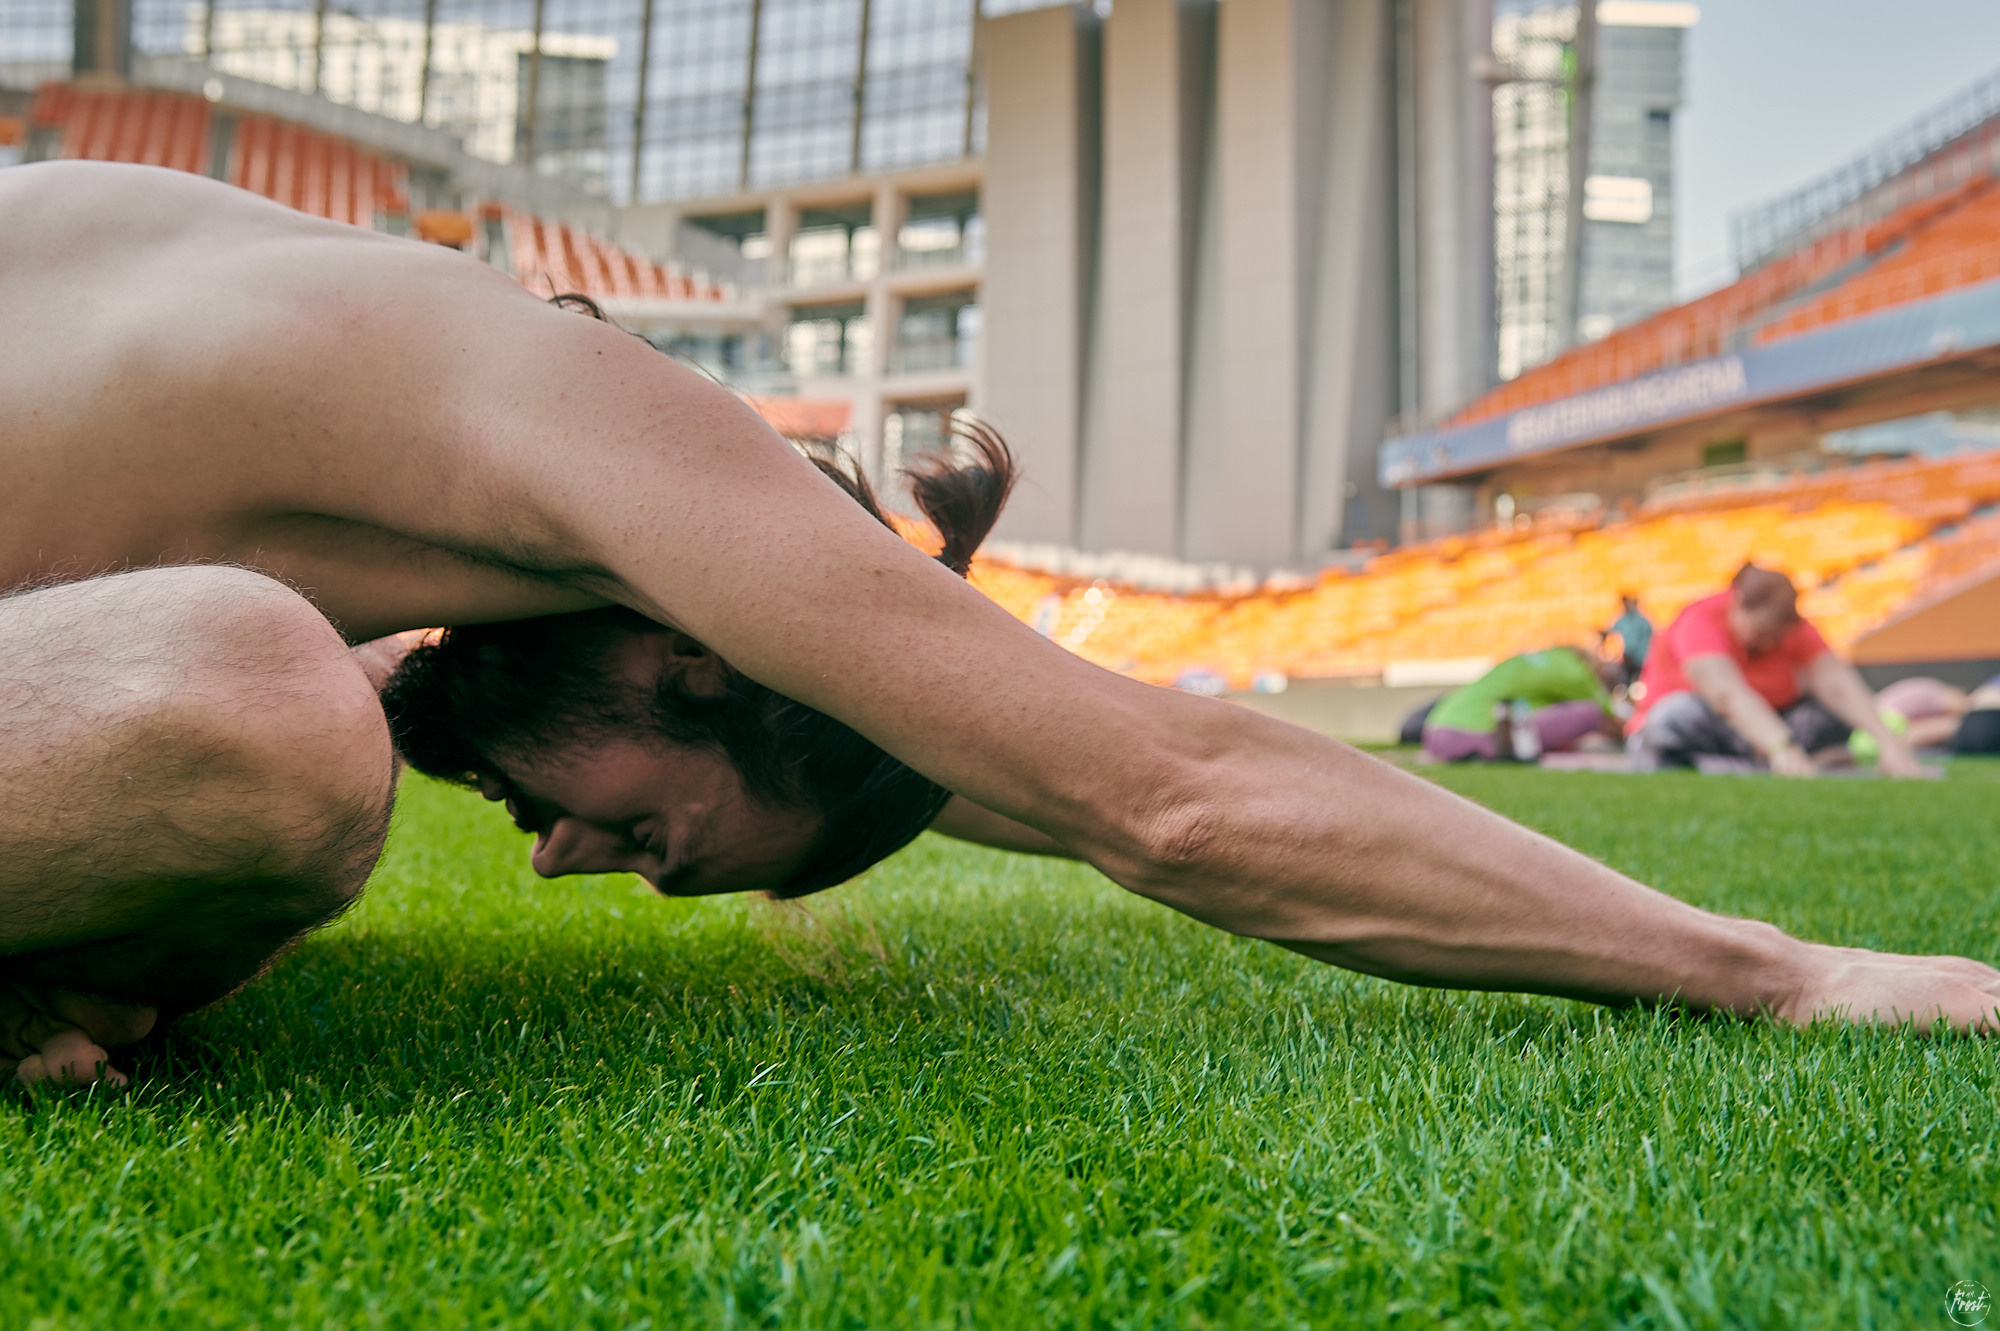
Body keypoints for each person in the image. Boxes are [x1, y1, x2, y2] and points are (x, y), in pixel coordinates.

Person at [4, 162, 1998, 1088]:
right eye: (648, 835)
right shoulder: (588, 428)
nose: (550, 851)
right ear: (718, 660)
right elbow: (1172, 791)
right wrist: (1783, 969)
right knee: (267, 712)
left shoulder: (536, 510)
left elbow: (1030, 767)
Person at [1627, 565, 1926, 778]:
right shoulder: (1699, 620)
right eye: (1761, 634)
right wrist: (1782, 746)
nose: (1768, 644)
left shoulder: (1791, 626)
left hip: (1759, 735)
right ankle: (1775, 762)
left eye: (1775, 637)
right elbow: (1726, 695)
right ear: (1738, 604)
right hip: (1705, 730)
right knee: (1675, 715)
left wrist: (1889, 745)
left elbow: (1838, 686)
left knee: (1830, 714)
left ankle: (1759, 763)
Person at [1420, 648, 1621, 763]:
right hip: (1476, 735)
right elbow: (1615, 720)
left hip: (1434, 732)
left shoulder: (1542, 659)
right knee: (1591, 713)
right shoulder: (1574, 670)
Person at [1606, 594, 1653, 685]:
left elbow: (1650, 635)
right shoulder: (1621, 619)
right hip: (1628, 657)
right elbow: (1611, 631)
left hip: (1642, 656)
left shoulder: (1642, 619)